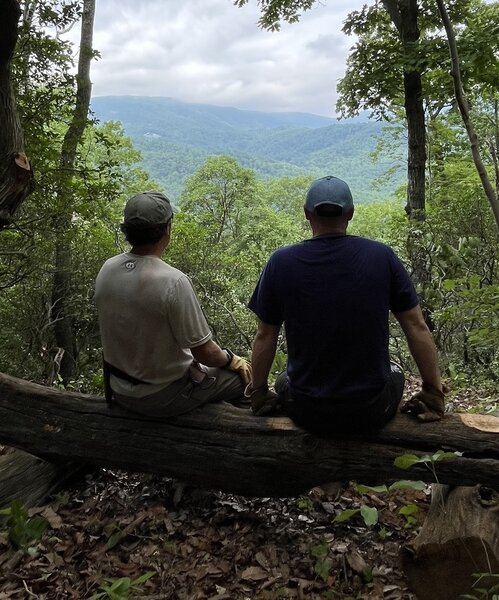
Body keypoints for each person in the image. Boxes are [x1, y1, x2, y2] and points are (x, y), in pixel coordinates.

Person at [246, 175, 445, 433]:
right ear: (350, 213)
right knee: (394, 371)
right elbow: (416, 326)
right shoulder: (381, 256)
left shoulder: (281, 262)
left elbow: (265, 334)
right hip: (372, 410)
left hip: (306, 410)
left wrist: (259, 392)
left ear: (307, 214)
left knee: (285, 378)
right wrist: (433, 391)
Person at [95, 191, 251, 417]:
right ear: (167, 229)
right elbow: (205, 352)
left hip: (119, 389)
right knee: (240, 382)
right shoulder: (173, 281)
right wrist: (233, 360)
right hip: (161, 396)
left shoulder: (108, 268)